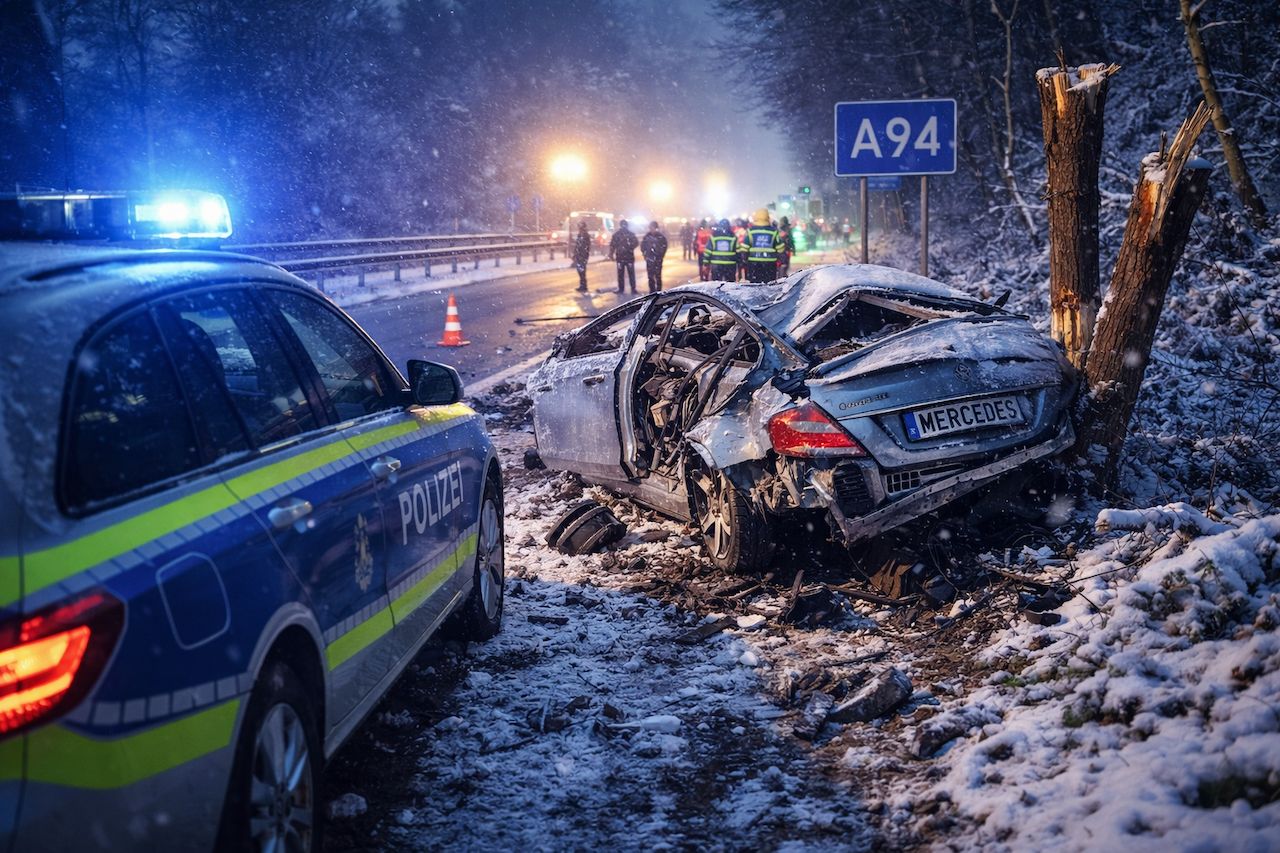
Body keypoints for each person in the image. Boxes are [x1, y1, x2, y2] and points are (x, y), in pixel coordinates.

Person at [743, 208, 783, 283]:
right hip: (770, 264)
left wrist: (744, 260)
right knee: (769, 285)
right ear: (767, 217)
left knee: (755, 285)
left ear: (755, 217)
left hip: (754, 263)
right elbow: (780, 248)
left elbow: (744, 248)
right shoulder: (774, 231)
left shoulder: (750, 231)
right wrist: (781, 259)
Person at [608, 218, 639, 294]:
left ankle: (622, 288)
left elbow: (612, 245)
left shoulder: (617, 235)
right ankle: (632, 288)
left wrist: (611, 254)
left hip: (621, 257)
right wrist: (629, 248)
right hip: (628, 257)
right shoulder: (630, 234)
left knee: (621, 274)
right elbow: (636, 243)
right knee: (629, 273)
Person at [640, 221, 668, 293]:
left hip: (658, 259)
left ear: (656, 228)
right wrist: (645, 254)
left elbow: (665, 246)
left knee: (658, 276)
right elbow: (642, 246)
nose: (651, 229)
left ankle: (658, 291)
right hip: (649, 259)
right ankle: (652, 291)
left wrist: (661, 255)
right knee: (650, 276)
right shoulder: (647, 236)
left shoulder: (661, 237)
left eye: (653, 227)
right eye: (650, 228)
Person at [571, 221, 592, 292]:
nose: (579, 228)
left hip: (582, 256)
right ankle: (582, 285)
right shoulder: (580, 235)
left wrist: (583, 255)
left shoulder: (585, 235)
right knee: (580, 271)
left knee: (582, 271)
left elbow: (585, 246)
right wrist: (575, 254)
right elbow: (578, 246)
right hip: (580, 255)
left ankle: (584, 286)